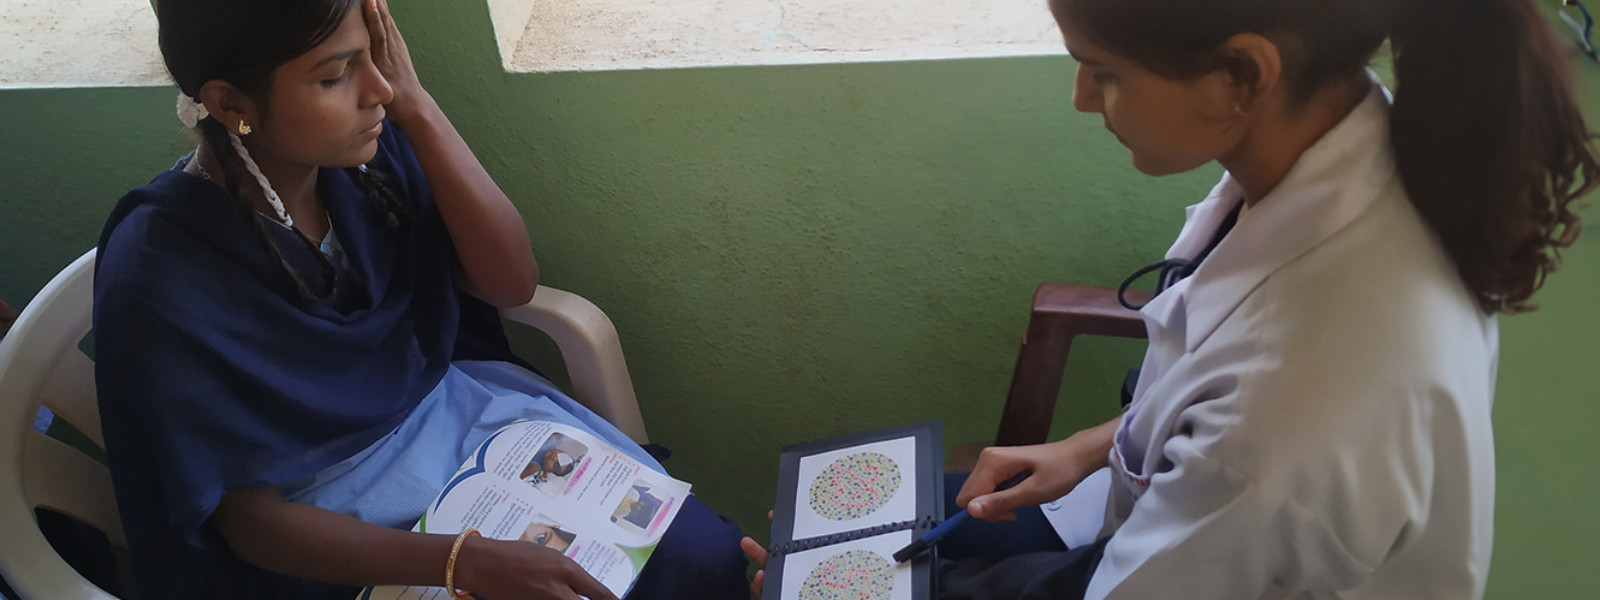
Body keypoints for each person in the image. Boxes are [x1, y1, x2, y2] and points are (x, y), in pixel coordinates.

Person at [741, 0, 1598, 598]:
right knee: (856, 534)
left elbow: (1198, 507)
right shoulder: (1356, 140)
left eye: (1102, 71)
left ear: (1243, 73)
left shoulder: (1294, 412)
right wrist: (1089, 445)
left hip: (1185, 561)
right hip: (1180, 519)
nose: (1082, 100)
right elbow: (1219, 369)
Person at [92, 1, 748, 598]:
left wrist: (420, 108)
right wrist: (460, 560)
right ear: (231, 101)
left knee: (698, 559)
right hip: (329, 526)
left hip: (460, 423)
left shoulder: (363, 155)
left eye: (373, 58)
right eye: (334, 76)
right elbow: (253, 525)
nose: (377, 90)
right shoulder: (160, 273)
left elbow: (509, 283)